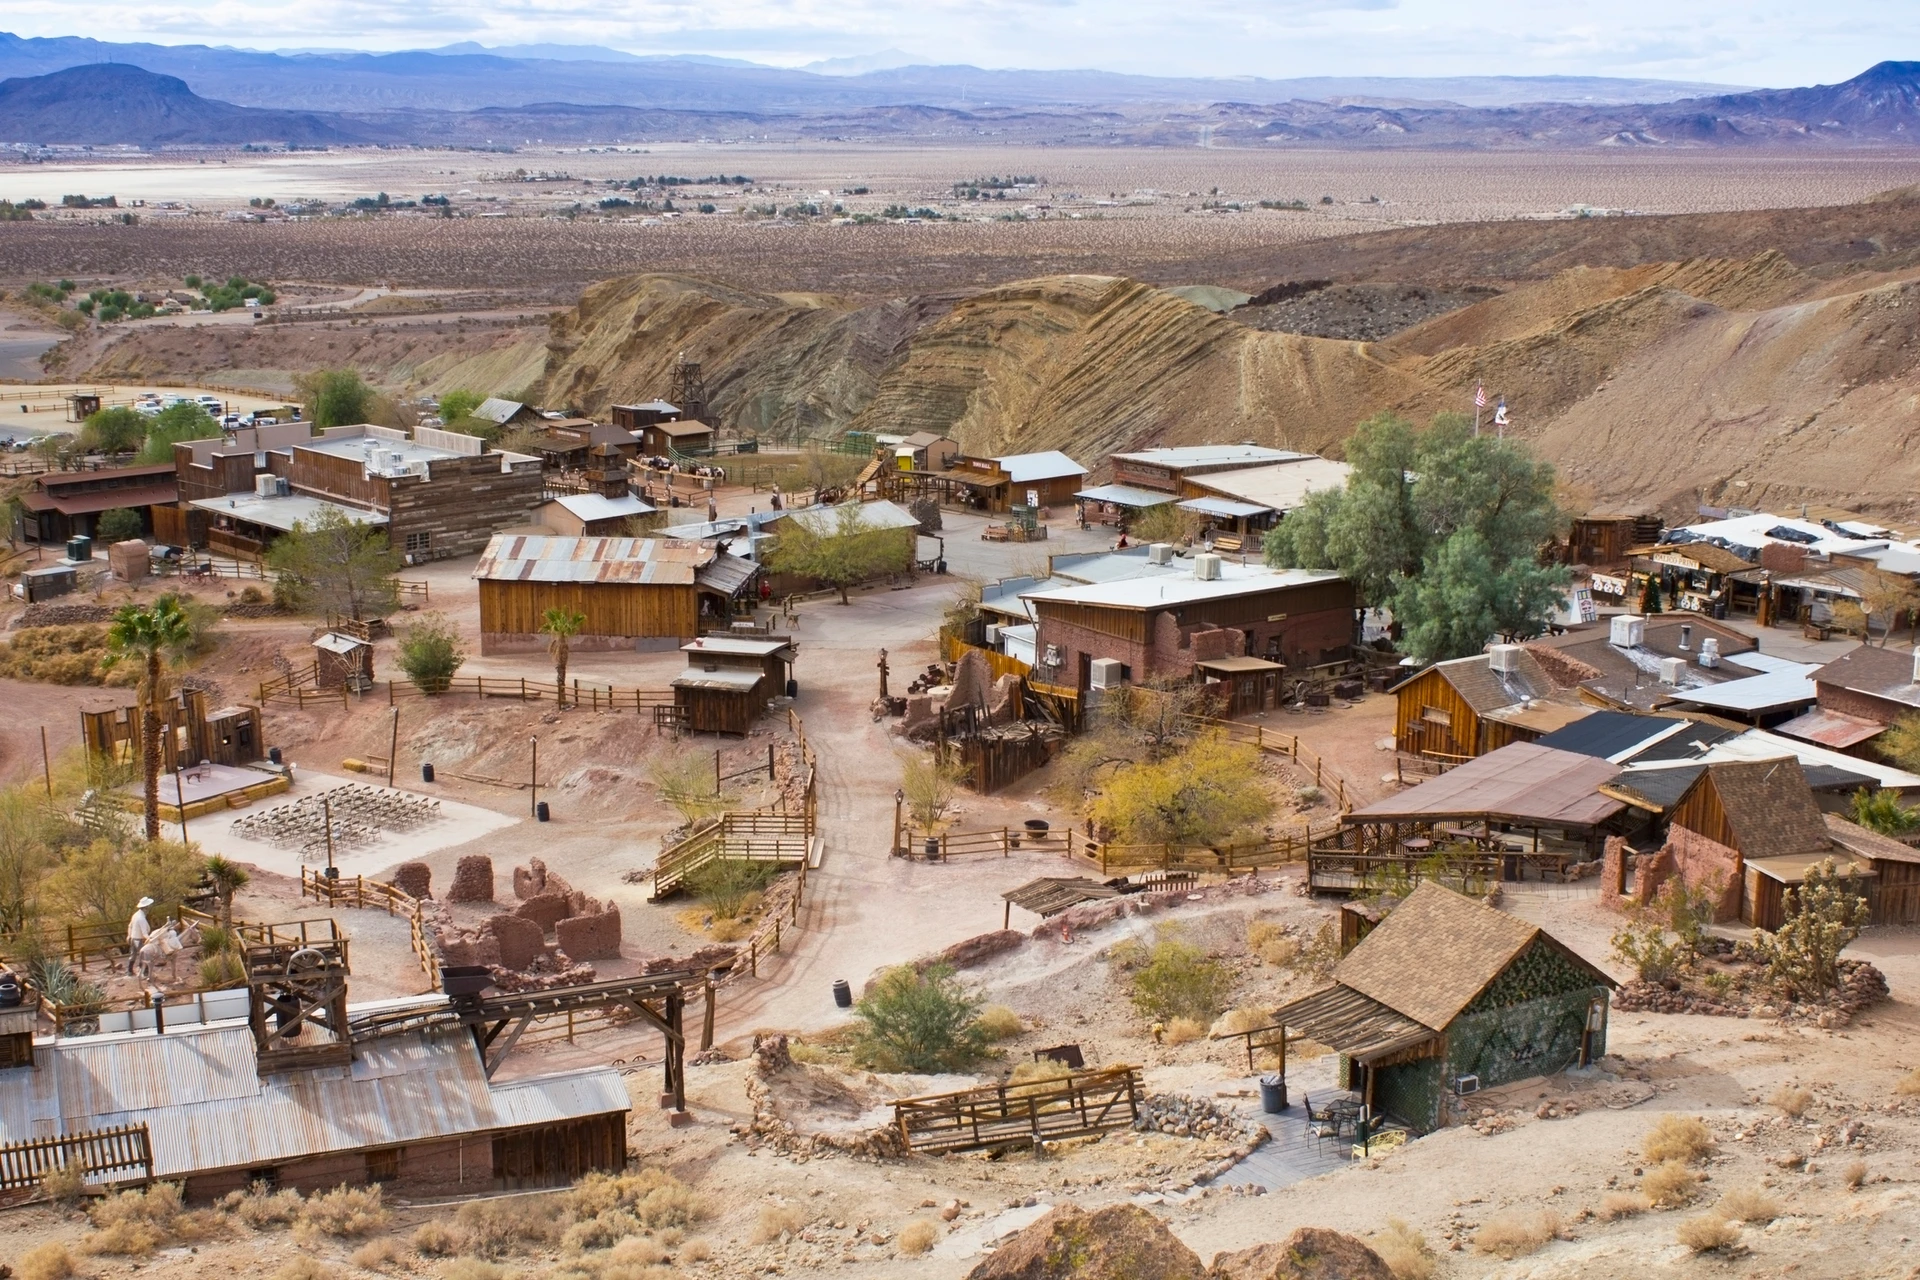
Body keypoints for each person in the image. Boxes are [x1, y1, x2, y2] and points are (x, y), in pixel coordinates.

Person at [126, 896, 154, 975]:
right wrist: (151, 939)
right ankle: (144, 972)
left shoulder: (135, 915)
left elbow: (130, 926)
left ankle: (129, 971)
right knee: (145, 955)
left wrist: (129, 935)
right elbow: (144, 933)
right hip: (139, 939)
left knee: (133, 955)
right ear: (146, 907)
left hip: (133, 938)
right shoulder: (141, 918)